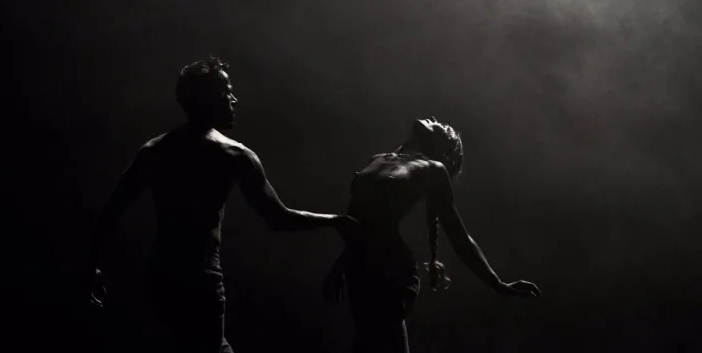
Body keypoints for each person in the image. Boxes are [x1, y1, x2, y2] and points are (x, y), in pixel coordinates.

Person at [83, 55, 358, 352]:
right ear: (210, 99)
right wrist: (334, 221)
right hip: (200, 277)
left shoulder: (155, 150)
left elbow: (112, 210)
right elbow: (278, 218)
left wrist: (91, 267)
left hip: (160, 274)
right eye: (227, 92)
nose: (234, 100)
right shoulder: (234, 155)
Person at [323, 117, 540, 353]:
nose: (433, 119)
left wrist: (498, 284)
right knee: (371, 342)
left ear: (440, 146)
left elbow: (459, 236)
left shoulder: (434, 170)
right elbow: (361, 220)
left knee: (375, 337)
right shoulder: (379, 158)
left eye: (441, 125)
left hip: (391, 271)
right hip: (361, 268)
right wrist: (343, 262)